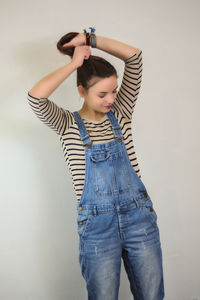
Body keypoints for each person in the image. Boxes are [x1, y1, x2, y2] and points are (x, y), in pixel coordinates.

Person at [27, 28, 165, 300]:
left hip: (140, 222)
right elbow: (36, 97)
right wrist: (74, 64)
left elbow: (134, 57)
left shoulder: (122, 113)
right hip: (97, 229)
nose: (111, 99)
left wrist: (89, 40)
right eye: (102, 94)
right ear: (82, 91)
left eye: (114, 91)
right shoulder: (66, 124)